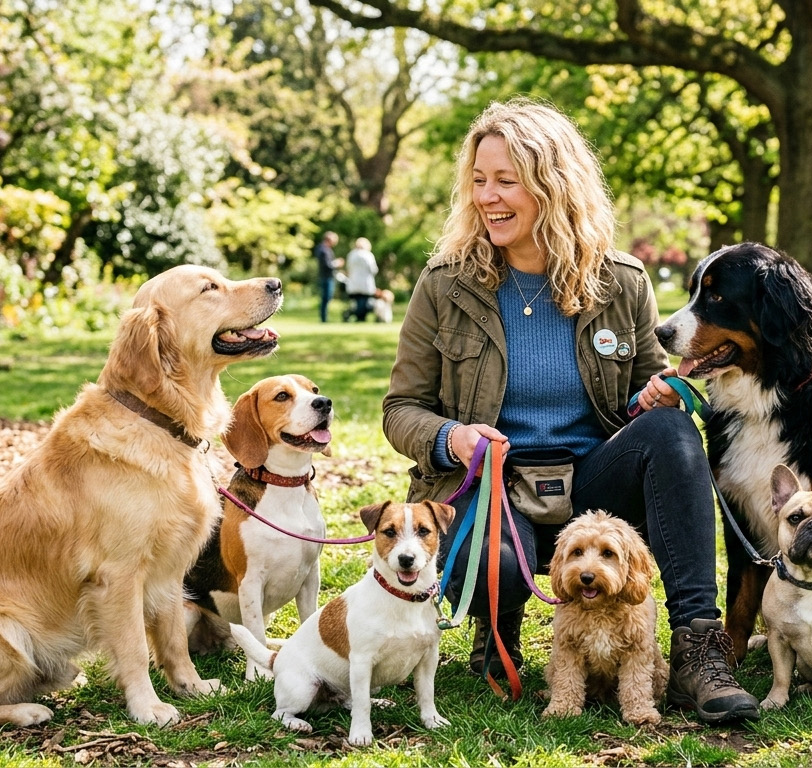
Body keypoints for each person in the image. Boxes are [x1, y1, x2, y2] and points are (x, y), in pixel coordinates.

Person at [382, 98, 760, 726]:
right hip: (497, 484)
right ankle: (494, 637)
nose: (488, 197)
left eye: (506, 180)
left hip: (593, 482)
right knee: (496, 567)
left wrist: (662, 393)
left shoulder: (622, 281)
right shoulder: (444, 285)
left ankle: (699, 647)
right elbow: (400, 408)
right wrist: (451, 438)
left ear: (552, 184)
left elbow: (645, 385)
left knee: (669, 429)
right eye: (478, 180)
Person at [342, 236, 379, 322]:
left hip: (353, 282)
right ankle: (360, 317)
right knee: (364, 302)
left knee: (357, 301)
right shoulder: (368, 255)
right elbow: (373, 269)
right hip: (365, 282)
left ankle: (354, 315)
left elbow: (348, 268)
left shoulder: (351, 254)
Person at [313, 231, 342, 323]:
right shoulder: (323, 250)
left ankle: (324, 317)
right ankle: (323, 318)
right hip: (326, 277)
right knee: (326, 297)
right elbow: (328, 265)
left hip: (327, 277)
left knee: (327, 297)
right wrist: (337, 263)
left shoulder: (325, 249)